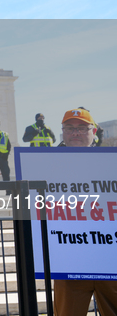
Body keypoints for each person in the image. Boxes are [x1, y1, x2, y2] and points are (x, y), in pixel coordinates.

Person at [54, 107, 117, 316]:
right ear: (62, 132)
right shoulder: (45, 164)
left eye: (82, 128)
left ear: (94, 131)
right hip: (69, 258)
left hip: (110, 257)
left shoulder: (112, 162)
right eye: (70, 128)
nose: (76, 132)